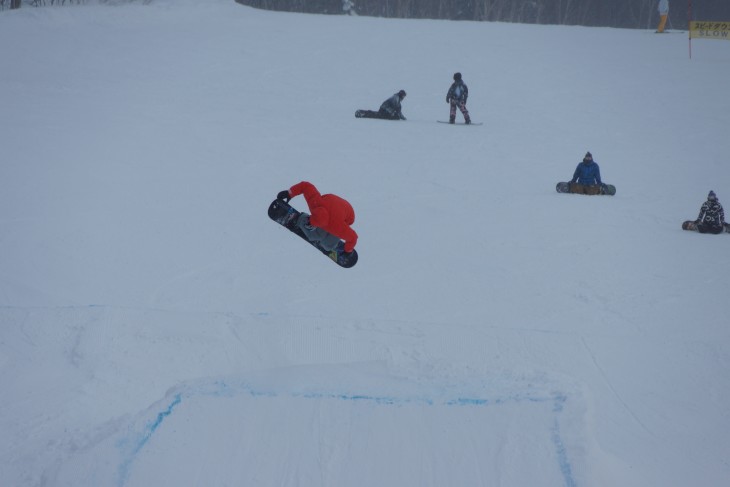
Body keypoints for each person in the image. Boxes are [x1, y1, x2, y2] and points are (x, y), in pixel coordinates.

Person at [277, 181, 358, 253]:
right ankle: (307, 225)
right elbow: (306, 186)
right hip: (335, 204)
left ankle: (304, 222)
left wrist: (348, 250)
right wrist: (289, 193)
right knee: (319, 236)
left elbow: (353, 238)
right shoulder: (315, 203)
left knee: (327, 245)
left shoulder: (335, 225)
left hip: (348, 217)